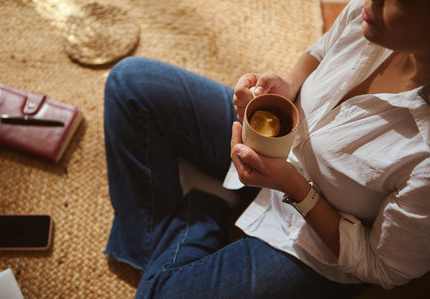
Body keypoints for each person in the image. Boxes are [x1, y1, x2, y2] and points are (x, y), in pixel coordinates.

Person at [103, 0, 430, 297]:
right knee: (129, 84)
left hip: (314, 245)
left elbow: (383, 266)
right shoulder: (371, 17)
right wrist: (288, 85)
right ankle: (183, 228)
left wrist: (293, 186)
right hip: (276, 140)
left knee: (161, 292)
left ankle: (206, 203)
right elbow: (323, 48)